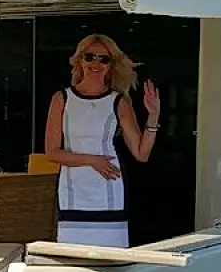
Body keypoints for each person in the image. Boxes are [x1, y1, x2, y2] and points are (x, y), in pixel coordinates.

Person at [44, 34, 161, 248]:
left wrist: (153, 115)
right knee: (72, 256)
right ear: (80, 60)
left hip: (109, 191)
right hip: (72, 193)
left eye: (103, 59)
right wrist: (92, 160)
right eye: (90, 57)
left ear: (110, 65)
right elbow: (52, 152)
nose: (95, 63)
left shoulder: (118, 101)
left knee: (112, 256)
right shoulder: (62, 99)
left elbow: (141, 153)